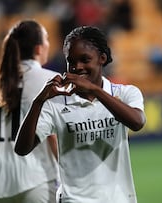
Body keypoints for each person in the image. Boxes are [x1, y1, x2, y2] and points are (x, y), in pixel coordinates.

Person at [15, 26, 146, 203]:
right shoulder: (56, 104)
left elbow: (137, 122)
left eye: (85, 60)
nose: (77, 67)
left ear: (102, 58)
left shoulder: (125, 93)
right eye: (71, 61)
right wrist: (38, 102)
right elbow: (22, 148)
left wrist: (95, 90)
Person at [0, 20, 59, 203]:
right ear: (39, 48)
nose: (48, 44)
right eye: (46, 39)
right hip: (35, 180)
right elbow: (53, 137)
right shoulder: (49, 80)